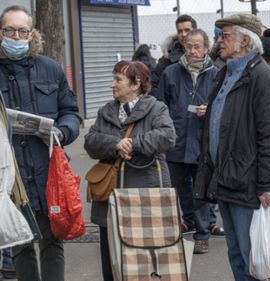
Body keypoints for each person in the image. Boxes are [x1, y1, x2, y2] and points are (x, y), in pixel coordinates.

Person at [193, 14, 270, 281]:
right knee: (236, 254)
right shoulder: (226, 74)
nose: (219, 41)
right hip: (226, 178)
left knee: (252, 257)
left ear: (245, 40)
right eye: (220, 35)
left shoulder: (261, 77)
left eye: (226, 36)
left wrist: (267, 185)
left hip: (246, 181)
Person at [0, 5, 82, 281]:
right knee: (20, 243)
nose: (16, 36)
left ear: (32, 34)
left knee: (53, 240)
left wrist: (63, 131)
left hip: (48, 171)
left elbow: (70, 112)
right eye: (9, 30)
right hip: (10, 175)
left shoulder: (51, 69)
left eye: (22, 31)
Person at [84, 60, 176, 281]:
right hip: (110, 196)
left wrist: (133, 144)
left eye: (118, 80)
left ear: (135, 84)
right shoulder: (106, 110)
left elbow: (167, 136)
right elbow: (90, 142)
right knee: (111, 259)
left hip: (144, 196)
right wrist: (116, 144)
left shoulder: (156, 108)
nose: (112, 85)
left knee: (143, 260)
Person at [155, 28, 220, 254]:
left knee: (200, 191)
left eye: (197, 47)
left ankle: (202, 234)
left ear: (206, 48)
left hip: (202, 143)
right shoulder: (170, 73)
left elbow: (225, 109)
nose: (192, 51)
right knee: (176, 190)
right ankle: (182, 228)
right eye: (188, 46)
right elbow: (160, 106)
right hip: (175, 142)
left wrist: (210, 110)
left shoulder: (217, 74)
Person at [150, 14, 197, 96]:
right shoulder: (166, 60)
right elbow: (154, 86)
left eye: (187, 30)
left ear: (196, 32)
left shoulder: (208, 57)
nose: (183, 34)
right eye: (180, 31)